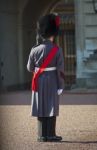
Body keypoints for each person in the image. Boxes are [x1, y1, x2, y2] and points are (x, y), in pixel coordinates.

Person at [27, 13, 65, 142]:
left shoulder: (34, 49)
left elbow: (29, 68)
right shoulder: (57, 50)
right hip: (52, 80)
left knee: (41, 107)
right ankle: (51, 135)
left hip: (38, 80)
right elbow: (60, 71)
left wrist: (38, 70)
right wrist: (61, 85)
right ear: (53, 34)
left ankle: (41, 135)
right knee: (51, 106)